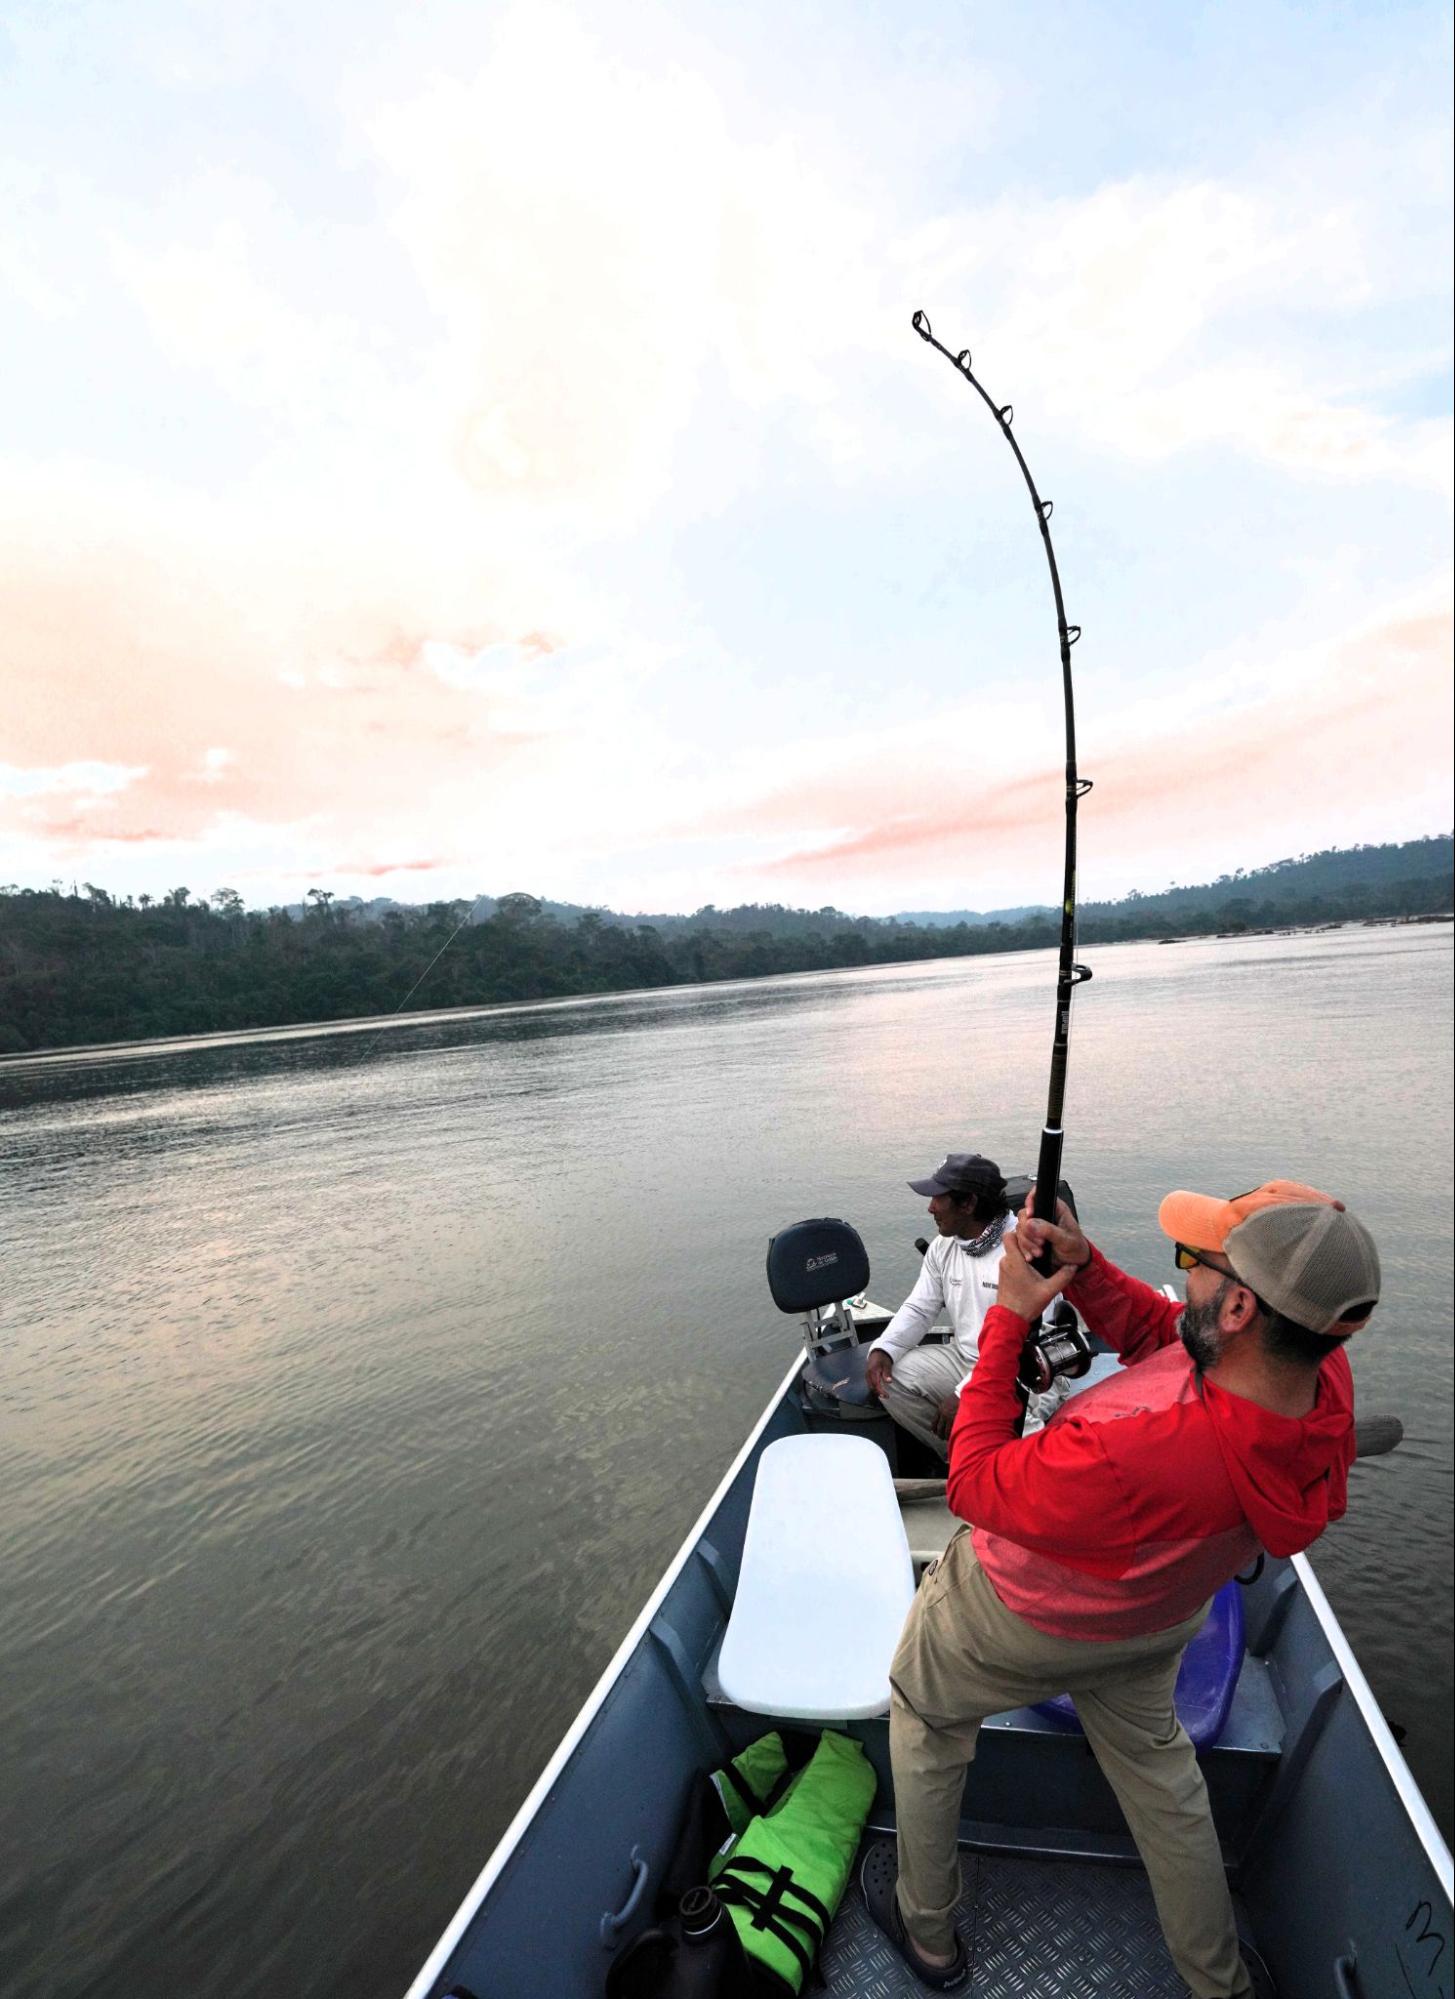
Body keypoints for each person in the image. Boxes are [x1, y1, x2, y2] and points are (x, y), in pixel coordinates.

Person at [859, 1178, 1380, 1996]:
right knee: (1164, 1786)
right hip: (1155, 1620)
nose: (1187, 1276)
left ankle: (927, 1934)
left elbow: (973, 1480)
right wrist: (1085, 1265)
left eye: (1194, 1260)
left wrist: (1009, 1315)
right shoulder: (1317, 1378)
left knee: (924, 1719)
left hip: (1010, 1618)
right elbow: (1167, 1336)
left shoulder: (1130, 1449)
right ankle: (1219, 1981)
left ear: (1240, 1308)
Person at [864, 1152, 1065, 1457]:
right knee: (891, 1381)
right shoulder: (943, 1246)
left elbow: (1030, 1346)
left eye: (938, 1199)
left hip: (1028, 1371)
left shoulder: (1026, 1250)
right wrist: (884, 1348)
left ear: (968, 1203)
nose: (930, 1207)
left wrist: (966, 1394)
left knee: (1020, 1440)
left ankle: (1014, 1465)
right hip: (965, 1359)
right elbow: (920, 1308)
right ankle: (964, 1460)